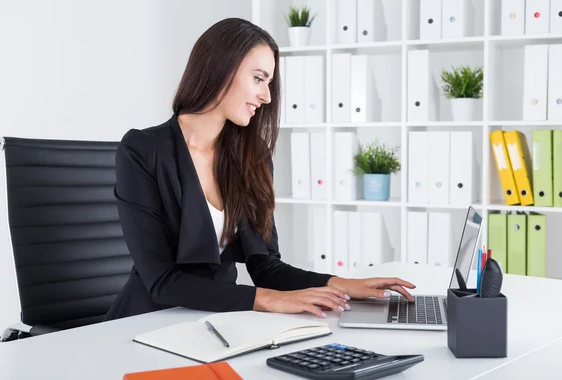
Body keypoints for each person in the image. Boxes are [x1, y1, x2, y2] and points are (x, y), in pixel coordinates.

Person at [104, 17, 415, 322]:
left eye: (268, 83)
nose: (266, 97)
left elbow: (265, 266)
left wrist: (339, 284)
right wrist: (269, 300)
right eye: (258, 78)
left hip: (217, 320)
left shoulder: (252, 157)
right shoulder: (142, 150)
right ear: (217, 67)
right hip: (145, 322)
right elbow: (161, 281)